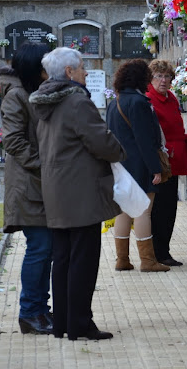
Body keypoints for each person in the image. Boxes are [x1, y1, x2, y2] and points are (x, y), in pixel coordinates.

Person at [29, 47, 125, 341]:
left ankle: (63, 324)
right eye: (81, 67)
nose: (85, 72)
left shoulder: (44, 101)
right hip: (81, 191)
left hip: (57, 189)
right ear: (69, 72)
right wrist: (119, 151)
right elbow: (99, 139)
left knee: (64, 260)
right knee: (83, 260)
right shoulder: (75, 100)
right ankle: (80, 324)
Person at [0, 42, 52, 335]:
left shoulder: (32, 92)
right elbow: (14, 141)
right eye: (44, 66)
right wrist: (46, 166)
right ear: (34, 69)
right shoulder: (17, 96)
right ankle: (30, 312)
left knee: (47, 249)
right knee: (40, 248)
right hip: (29, 184)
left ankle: (40, 310)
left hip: (41, 184)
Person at [106, 59, 170, 273]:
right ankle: (148, 261)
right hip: (140, 165)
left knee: (123, 212)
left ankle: (121, 259)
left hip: (119, 164)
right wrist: (155, 168)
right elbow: (144, 140)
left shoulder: (114, 103)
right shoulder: (140, 103)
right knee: (143, 211)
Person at [147, 60, 187, 266]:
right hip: (162, 159)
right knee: (160, 208)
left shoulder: (171, 98)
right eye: (159, 76)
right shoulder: (149, 100)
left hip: (175, 159)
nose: (164, 80)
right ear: (150, 78)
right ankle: (158, 253)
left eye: (167, 76)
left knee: (169, 207)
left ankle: (164, 250)